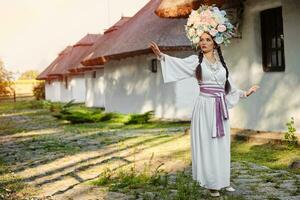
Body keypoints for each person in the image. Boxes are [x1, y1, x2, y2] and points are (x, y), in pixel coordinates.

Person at [149, 5, 259, 197]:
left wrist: (245, 93)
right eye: (201, 40)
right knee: (208, 144)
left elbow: (229, 86)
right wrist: (161, 56)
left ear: (215, 43)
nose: (204, 43)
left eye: (208, 40)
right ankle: (211, 184)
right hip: (205, 107)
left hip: (220, 108)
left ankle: (223, 180)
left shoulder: (222, 65)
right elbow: (177, 64)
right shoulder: (195, 62)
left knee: (222, 144)